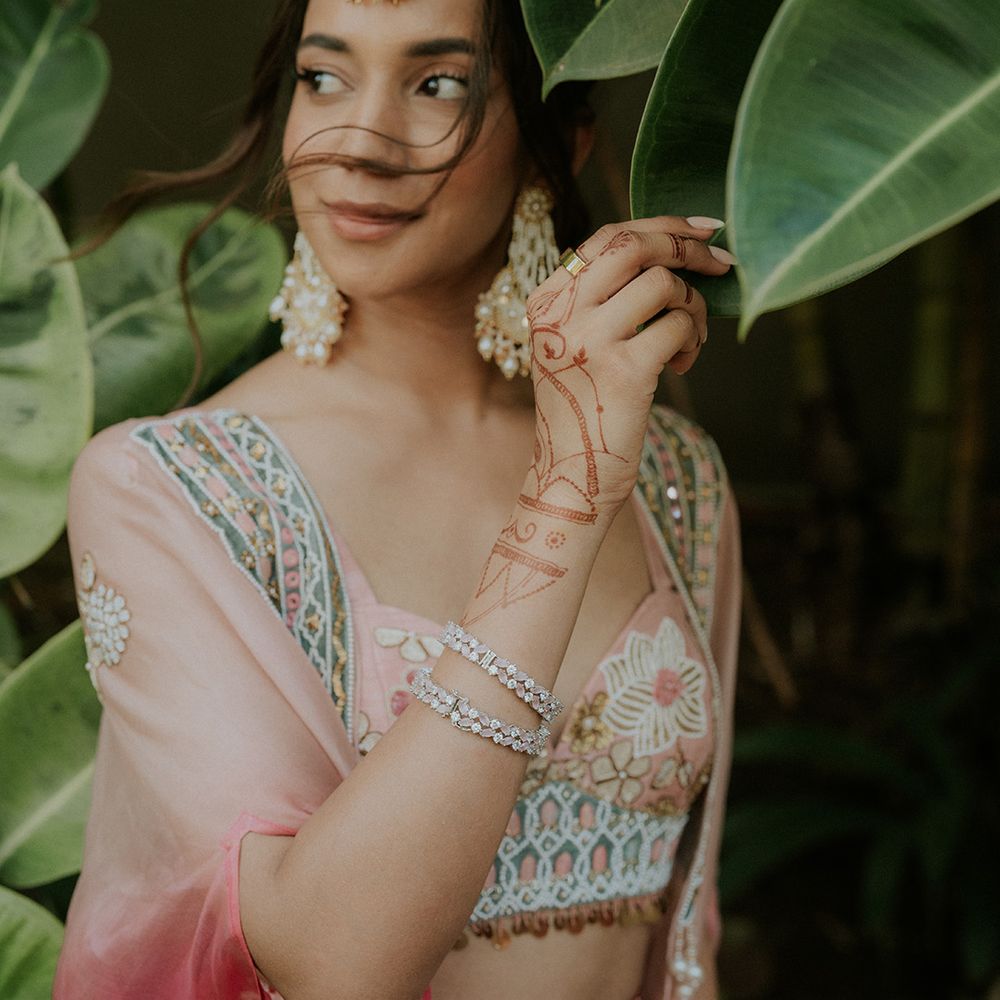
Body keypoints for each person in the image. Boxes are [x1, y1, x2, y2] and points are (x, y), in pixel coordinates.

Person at [53, 0, 741, 997]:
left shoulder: (677, 476)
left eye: (438, 85)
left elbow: (687, 934)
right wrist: (569, 488)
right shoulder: (175, 490)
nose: (359, 142)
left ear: (559, 149)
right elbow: (333, 961)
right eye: (323, 77)